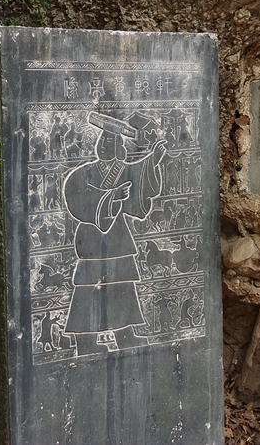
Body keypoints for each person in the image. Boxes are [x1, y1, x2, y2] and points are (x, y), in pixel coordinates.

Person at [62, 112, 167, 355]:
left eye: (112, 141)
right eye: (104, 141)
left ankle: (124, 333)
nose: (106, 145)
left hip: (118, 238)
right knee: (88, 287)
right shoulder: (82, 173)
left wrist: (153, 161)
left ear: (120, 147)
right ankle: (85, 340)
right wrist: (111, 197)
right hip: (91, 239)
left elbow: (140, 177)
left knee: (122, 284)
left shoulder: (124, 169)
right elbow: (75, 196)